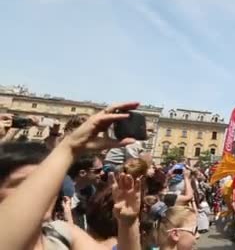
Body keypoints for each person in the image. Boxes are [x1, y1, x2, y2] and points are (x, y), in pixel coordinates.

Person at [0, 102, 142, 250]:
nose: (42, 190)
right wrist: (70, 147)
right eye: (23, 183)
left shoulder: (61, 235)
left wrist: (128, 223)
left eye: (49, 183)